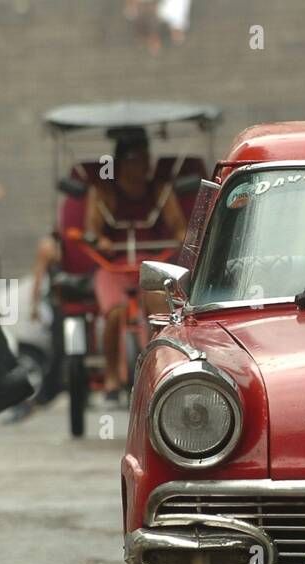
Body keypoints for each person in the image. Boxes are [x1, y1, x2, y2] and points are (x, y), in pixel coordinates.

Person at [84, 129, 185, 399]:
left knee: (160, 311)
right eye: (137, 158)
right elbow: (92, 231)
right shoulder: (104, 191)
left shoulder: (161, 190)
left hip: (151, 263)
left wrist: (179, 238)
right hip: (114, 266)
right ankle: (112, 376)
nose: (144, 164)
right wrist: (101, 240)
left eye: (146, 157)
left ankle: (161, 368)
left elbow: (179, 227)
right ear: (122, 162)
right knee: (114, 312)